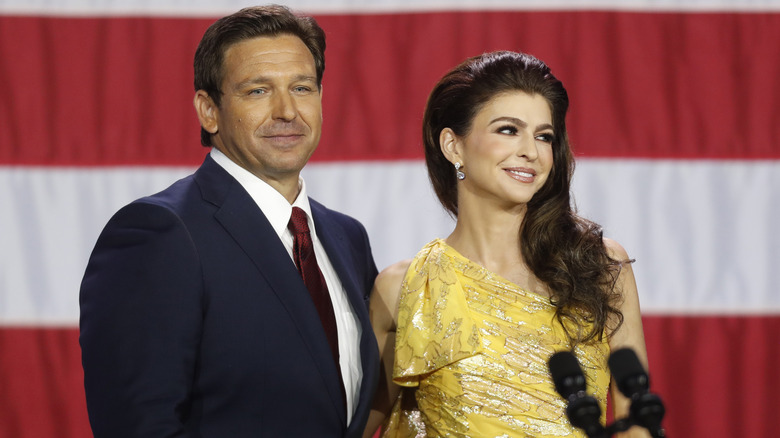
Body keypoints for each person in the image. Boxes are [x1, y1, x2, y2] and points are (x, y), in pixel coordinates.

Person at [79, 5, 379, 437]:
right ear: (208, 110)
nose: (287, 111)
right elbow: (140, 426)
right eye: (258, 91)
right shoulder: (159, 233)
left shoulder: (346, 236)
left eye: (302, 87)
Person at [364, 51, 650, 438]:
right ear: (453, 146)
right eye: (508, 130)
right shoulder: (408, 287)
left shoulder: (599, 266)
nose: (531, 152)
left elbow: (639, 423)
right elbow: (357, 425)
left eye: (544, 136)